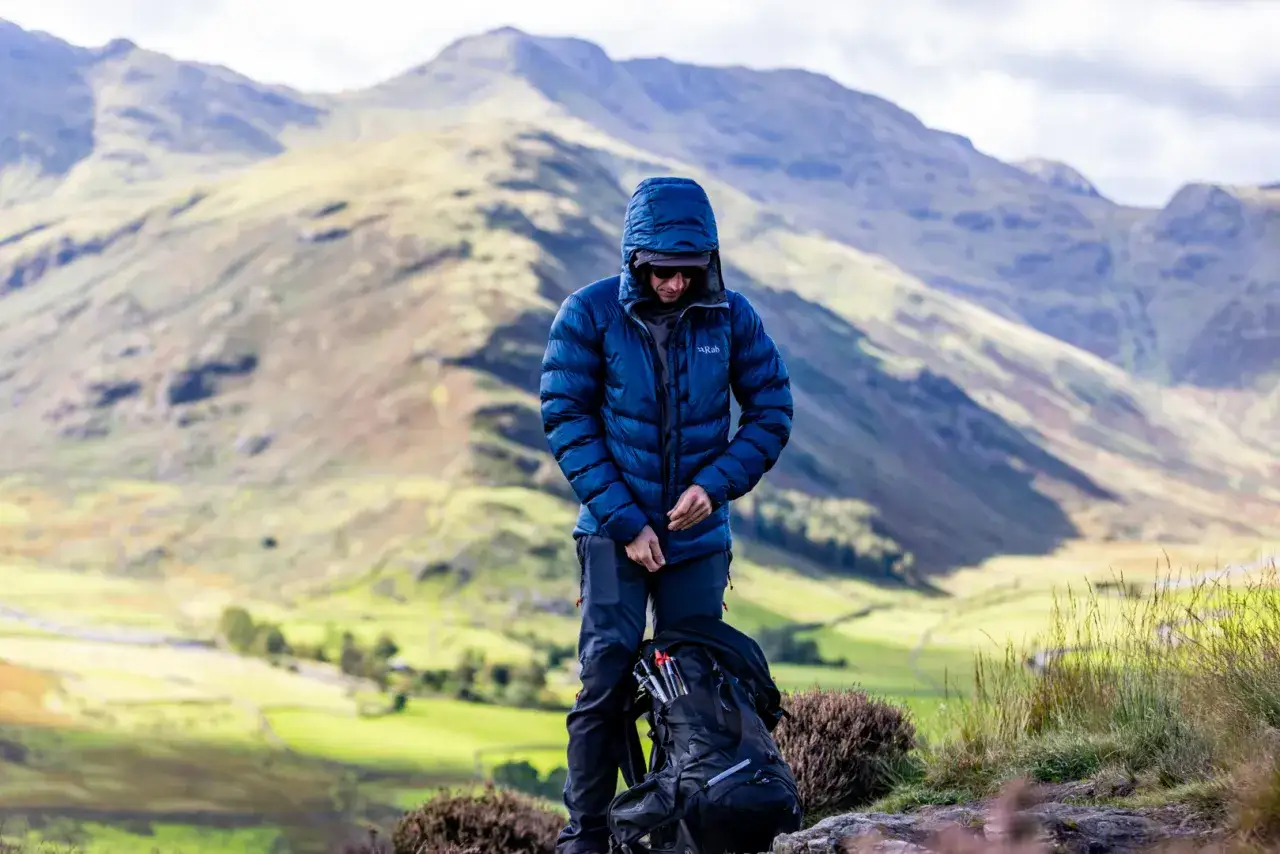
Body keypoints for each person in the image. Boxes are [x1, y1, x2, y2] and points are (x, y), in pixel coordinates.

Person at [539, 175, 794, 854]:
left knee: (693, 684)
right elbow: (565, 418)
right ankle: (587, 836)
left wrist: (714, 486)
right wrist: (626, 522)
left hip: (697, 540)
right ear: (634, 261)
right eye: (660, 271)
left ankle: (680, 828)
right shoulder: (589, 313)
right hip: (611, 534)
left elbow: (772, 409)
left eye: (688, 271)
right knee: (605, 677)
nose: (675, 284)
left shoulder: (731, 317)